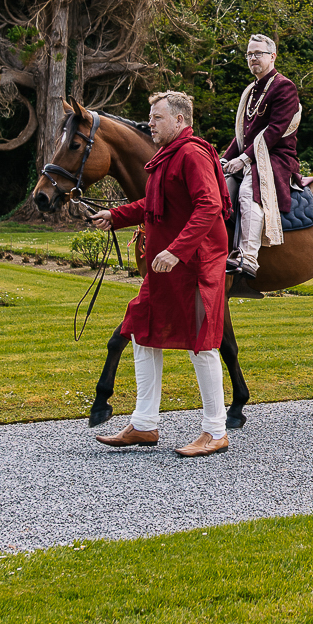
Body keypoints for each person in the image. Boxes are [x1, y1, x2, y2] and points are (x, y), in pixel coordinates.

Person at [90, 91, 234, 457]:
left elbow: (209, 206)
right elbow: (154, 203)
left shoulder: (191, 154)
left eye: (156, 118)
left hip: (193, 268)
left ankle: (216, 431)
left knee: (201, 345)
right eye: (150, 117)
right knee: (143, 332)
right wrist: (116, 216)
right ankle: (144, 424)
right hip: (165, 270)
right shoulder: (165, 157)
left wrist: (177, 249)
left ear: (179, 121)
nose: (149, 123)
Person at [222, 34, 301, 300]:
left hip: (277, 156)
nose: (253, 58)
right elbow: (243, 134)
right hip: (253, 153)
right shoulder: (251, 90)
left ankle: (249, 258)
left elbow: (276, 131)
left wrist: (243, 160)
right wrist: (224, 160)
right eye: (249, 54)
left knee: (247, 192)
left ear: (272, 56)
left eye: (258, 53)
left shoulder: (284, 87)